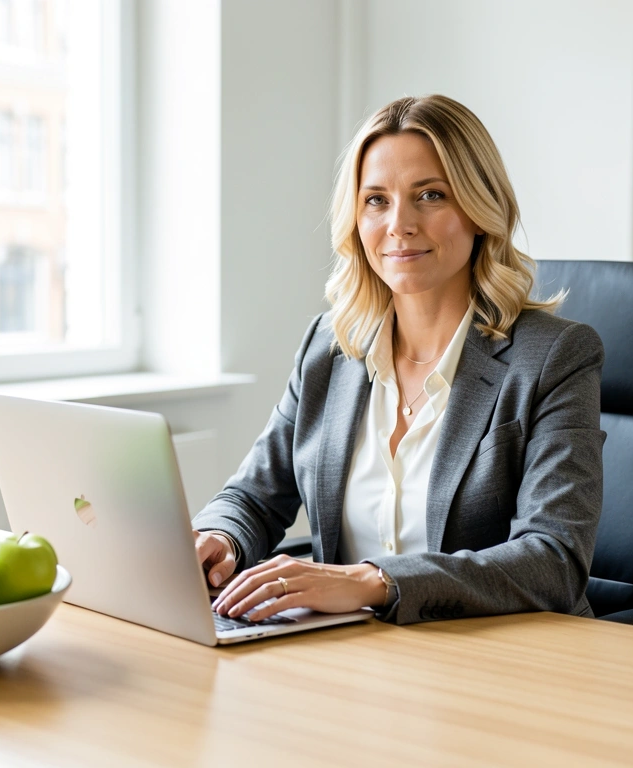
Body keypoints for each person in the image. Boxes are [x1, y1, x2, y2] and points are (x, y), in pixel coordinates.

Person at [192, 94, 605, 625]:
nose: (400, 224)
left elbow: (553, 559)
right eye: (376, 201)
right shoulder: (329, 348)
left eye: (430, 195)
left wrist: (372, 581)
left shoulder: (552, 357)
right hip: (348, 660)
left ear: (480, 209)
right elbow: (253, 496)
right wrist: (221, 538)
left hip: (496, 664)